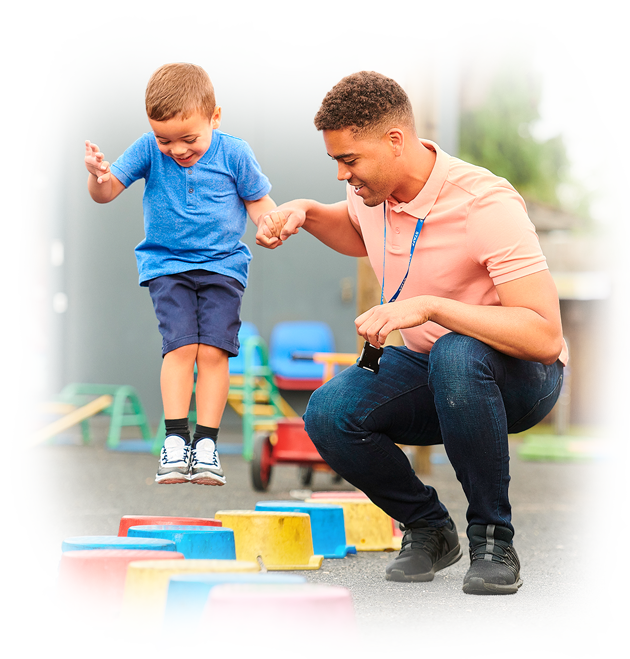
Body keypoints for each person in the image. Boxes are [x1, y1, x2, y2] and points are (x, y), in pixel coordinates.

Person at [257, 71, 567, 594]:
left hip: (521, 376)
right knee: (329, 413)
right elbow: (355, 230)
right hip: (435, 368)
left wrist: (428, 307)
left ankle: (492, 539)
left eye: (349, 160)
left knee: (455, 352)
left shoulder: (484, 203)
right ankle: (428, 528)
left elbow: (544, 337)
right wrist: (305, 213)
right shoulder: (371, 194)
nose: (341, 174)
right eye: (335, 161)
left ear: (395, 141)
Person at [84, 62, 279, 486]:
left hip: (223, 265)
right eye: (165, 139)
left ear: (215, 117)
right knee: (180, 347)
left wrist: (270, 224)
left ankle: (206, 445)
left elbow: (259, 202)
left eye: (188, 138)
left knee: (213, 352)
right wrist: (97, 176)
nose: (177, 149)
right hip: (167, 265)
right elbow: (106, 193)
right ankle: (175, 441)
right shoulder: (147, 148)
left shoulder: (235, 152)